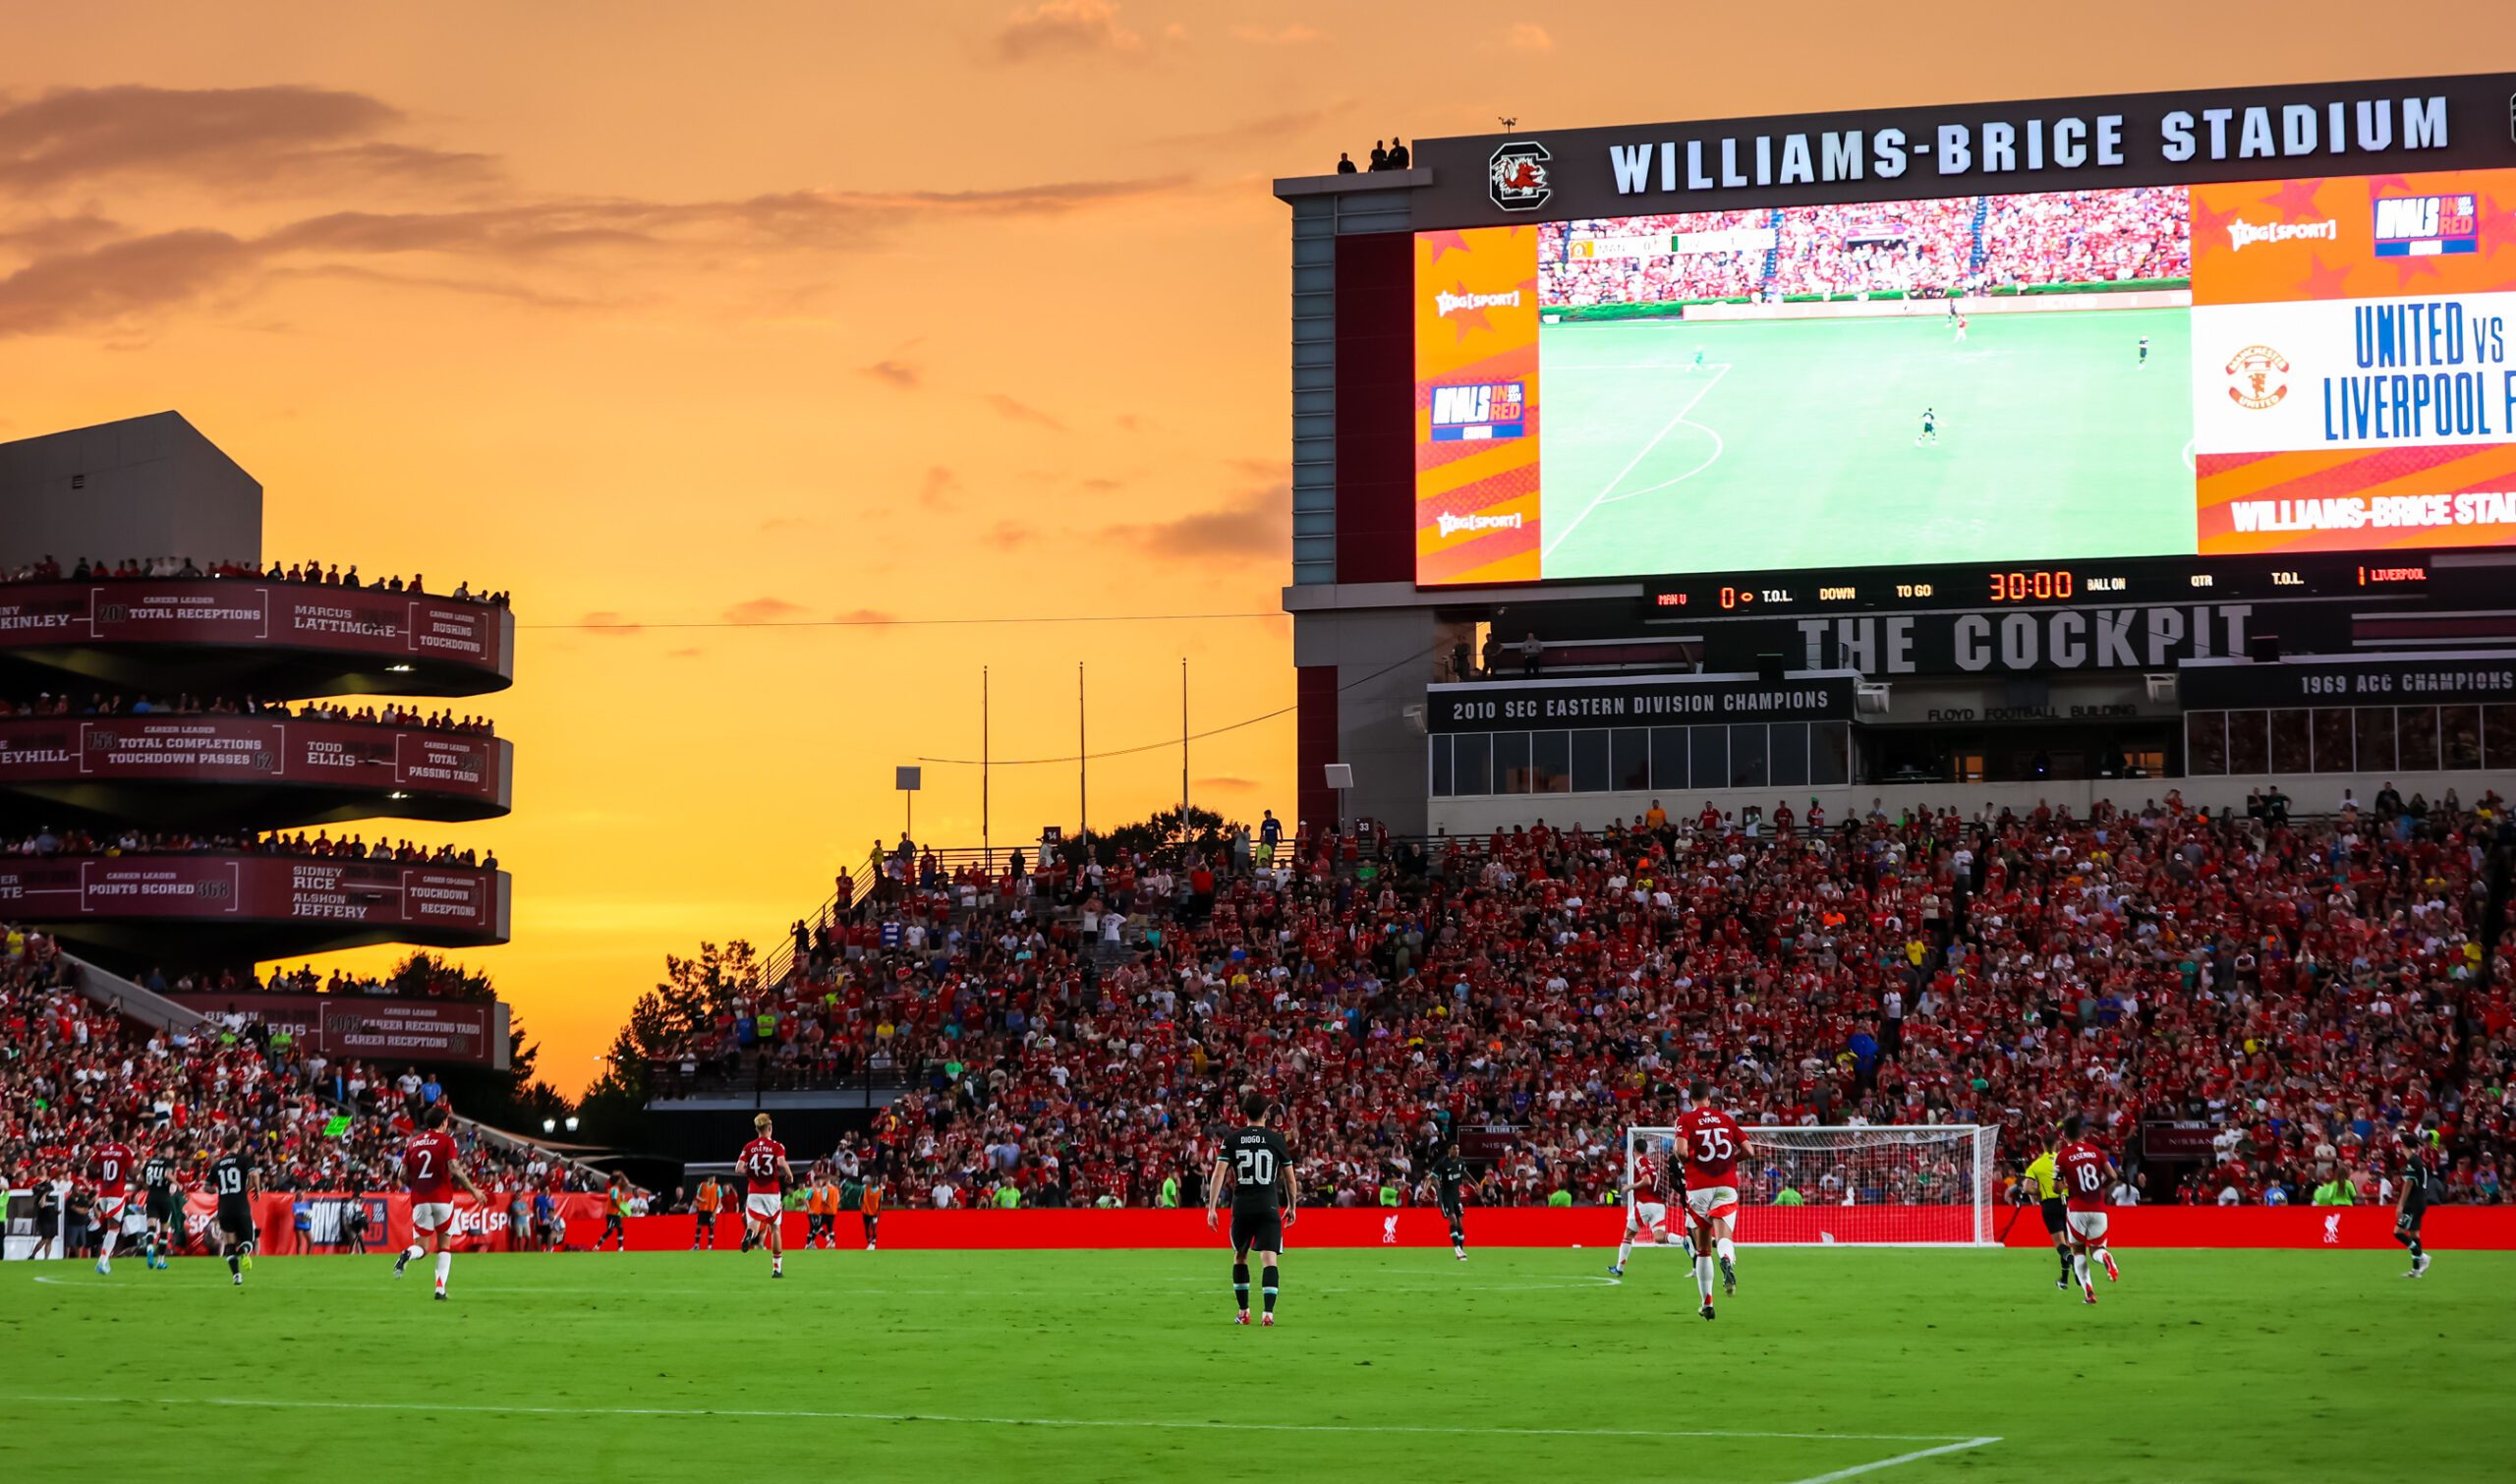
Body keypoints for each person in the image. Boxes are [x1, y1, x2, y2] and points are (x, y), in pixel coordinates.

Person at [1206, 1090, 1295, 1327]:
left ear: (1244, 1113)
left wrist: (1212, 1207)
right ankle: (1268, 1315)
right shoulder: (1277, 1140)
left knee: (1240, 1256)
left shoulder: (1233, 1139)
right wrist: (1293, 1206)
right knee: (1269, 1259)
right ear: (1266, 1113)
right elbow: (1290, 1178)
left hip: (1242, 1206)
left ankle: (1244, 1312)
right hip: (1268, 1205)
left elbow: (1218, 1173)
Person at [393, 1105, 484, 1300]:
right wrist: (473, 1190)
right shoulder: (447, 1141)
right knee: (444, 1246)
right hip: (442, 1198)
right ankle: (440, 1289)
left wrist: (418, 1182)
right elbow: (455, 1168)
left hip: (419, 1199)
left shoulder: (413, 1143)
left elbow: (401, 1174)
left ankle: (407, 1253)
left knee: (422, 1248)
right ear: (444, 1122)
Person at [1674, 1080, 1744, 1320]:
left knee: (1703, 1249)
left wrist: (1689, 1162)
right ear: (1709, 1098)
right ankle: (1726, 1258)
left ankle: (1707, 1303)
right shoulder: (1725, 1119)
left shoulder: (1685, 1120)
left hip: (1699, 1188)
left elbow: (1681, 1151)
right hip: (1726, 1184)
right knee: (1724, 1236)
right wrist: (1729, 1162)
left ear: (1690, 1099)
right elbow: (1750, 1150)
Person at [2054, 1114, 2122, 1305]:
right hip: (2098, 1208)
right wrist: (2100, 1187)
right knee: (2097, 1249)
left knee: (2077, 1250)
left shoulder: (2063, 1156)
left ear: (2065, 1137)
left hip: (2076, 1209)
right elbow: (2113, 1175)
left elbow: (2055, 1188)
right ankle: (2106, 1258)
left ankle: (2089, 1293)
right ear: (2082, 1134)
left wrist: (2068, 1186)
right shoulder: (2096, 1151)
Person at [1610, 1137, 1685, 1278]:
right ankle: (1683, 1241)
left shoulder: (1640, 1161)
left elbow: (1647, 1180)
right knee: (1660, 1238)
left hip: (1645, 1203)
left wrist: (1629, 1187)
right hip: (1658, 1205)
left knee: (1628, 1235)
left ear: (1634, 1149)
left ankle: (1619, 1268)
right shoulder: (1650, 1162)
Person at [738, 1113, 796, 1278]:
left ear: (757, 1129)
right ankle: (777, 1269)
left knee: (754, 1223)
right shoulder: (777, 1146)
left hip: (754, 1192)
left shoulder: (748, 1147)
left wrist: (753, 1172)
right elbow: (780, 1162)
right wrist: (789, 1175)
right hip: (772, 1192)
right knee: (775, 1228)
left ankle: (750, 1234)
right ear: (769, 1128)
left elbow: (739, 1168)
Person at [2021, 1134, 2073, 1290]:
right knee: (2069, 1242)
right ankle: (2064, 1280)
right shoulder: (2064, 1160)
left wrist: (2038, 1192)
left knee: (2060, 1245)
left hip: (2049, 1204)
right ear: (2057, 1144)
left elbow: (2026, 1188)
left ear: (2042, 1145)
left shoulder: (2036, 1165)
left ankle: (2071, 1263)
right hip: (2065, 1201)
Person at [208, 1132, 258, 1287]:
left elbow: (206, 1186)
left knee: (229, 1244)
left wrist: (219, 1191)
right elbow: (254, 1174)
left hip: (224, 1207)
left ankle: (236, 1276)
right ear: (237, 1144)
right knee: (249, 1240)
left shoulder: (218, 1164)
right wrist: (257, 1189)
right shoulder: (243, 1159)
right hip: (240, 1205)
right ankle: (243, 1251)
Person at [1419, 1139, 1478, 1261]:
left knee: (1460, 1225)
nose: (1456, 1151)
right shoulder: (1442, 1164)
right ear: (1448, 1150)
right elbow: (1431, 1178)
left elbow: (1464, 1172)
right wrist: (1424, 1191)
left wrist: (1476, 1183)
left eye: (1458, 1148)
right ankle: (1457, 1250)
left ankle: (1461, 1250)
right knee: (1453, 1221)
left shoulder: (1461, 1161)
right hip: (1445, 1196)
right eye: (1454, 1149)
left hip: (1456, 1196)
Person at [88, 1131, 136, 1276]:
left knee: (108, 1228)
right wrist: (138, 1170)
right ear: (124, 1136)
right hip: (116, 1194)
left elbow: (90, 1165)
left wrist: (99, 1175)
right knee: (114, 1229)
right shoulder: (125, 1151)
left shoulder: (102, 1150)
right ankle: (102, 1261)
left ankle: (105, 1257)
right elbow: (132, 1173)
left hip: (102, 1193)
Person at [2395, 1146, 2434, 1279]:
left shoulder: (2412, 1161)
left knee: (2398, 1232)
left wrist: (2401, 1203)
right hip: (2420, 1201)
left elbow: (2409, 1183)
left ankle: (2422, 1256)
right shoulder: (2419, 1161)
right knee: (2413, 1234)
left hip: (2412, 1203)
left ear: (2404, 1146)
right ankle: (2416, 1270)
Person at [140, 1143, 179, 1269]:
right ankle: (161, 1261)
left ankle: (150, 1248)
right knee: (163, 1230)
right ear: (166, 1150)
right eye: (172, 1149)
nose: (173, 1152)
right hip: (164, 1197)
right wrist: (178, 1183)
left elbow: (142, 1177)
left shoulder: (150, 1162)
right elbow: (167, 1175)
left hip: (151, 1197)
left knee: (151, 1226)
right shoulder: (169, 1162)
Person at [692, 1172, 723, 1250]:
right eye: (711, 1177)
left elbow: (719, 1200)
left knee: (711, 1227)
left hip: (711, 1210)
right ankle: (696, 1245)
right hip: (702, 1210)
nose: (713, 1179)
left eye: (714, 1178)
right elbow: (697, 1195)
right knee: (698, 1226)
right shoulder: (702, 1185)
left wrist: (715, 1212)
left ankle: (709, 1246)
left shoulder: (717, 1187)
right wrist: (701, 1199)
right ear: (708, 1178)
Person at [600, 1175, 631, 1252]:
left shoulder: (618, 1190)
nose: (621, 1181)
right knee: (610, 1231)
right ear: (617, 1181)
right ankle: (597, 1245)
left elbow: (627, 1183)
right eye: (620, 1180)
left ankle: (620, 1248)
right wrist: (621, 1209)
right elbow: (613, 1200)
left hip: (616, 1213)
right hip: (611, 1213)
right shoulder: (614, 1190)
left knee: (620, 1228)